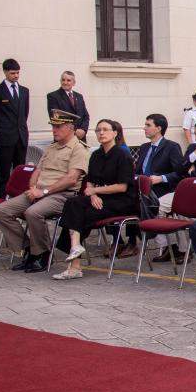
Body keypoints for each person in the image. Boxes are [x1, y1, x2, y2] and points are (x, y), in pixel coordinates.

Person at [0, 109, 89, 273]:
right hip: (39, 192)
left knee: (33, 213)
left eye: (58, 127)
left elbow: (71, 179)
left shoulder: (79, 149)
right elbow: (37, 171)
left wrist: (43, 192)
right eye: (53, 126)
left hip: (61, 195)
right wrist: (33, 188)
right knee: (1, 211)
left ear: (70, 128)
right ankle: (30, 249)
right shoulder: (51, 148)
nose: (54, 130)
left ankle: (43, 255)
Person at [50, 119, 137, 280]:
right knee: (72, 203)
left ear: (115, 133)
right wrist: (93, 195)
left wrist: (94, 190)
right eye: (98, 130)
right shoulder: (96, 154)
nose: (101, 133)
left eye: (105, 129)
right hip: (101, 197)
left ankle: (74, 266)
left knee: (81, 216)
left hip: (121, 201)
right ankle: (75, 246)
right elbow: (90, 179)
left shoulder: (122, 155)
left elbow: (122, 187)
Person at [129, 114, 184, 263]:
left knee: (152, 208)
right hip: (142, 190)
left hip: (163, 190)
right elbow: (138, 171)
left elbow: (180, 173)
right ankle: (129, 242)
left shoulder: (172, 147)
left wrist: (161, 178)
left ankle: (173, 248)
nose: (144, 128)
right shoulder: (144, 147)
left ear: (158, 128)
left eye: (148, 125)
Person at [0, 59, 29, 198]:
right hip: (5, 138)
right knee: (4, 172)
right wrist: (0, 133)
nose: (16, 76)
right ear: (5, 72)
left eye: (18, 73)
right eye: (12, 73)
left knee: (21, 171)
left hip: (21, 138)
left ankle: (19, 200)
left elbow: (24, 114)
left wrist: (21, 131)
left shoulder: (24, 91)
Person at [46, 71, 89, 141]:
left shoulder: (79, 96)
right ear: (60, 81)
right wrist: (75, 130)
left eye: (68, 80)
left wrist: (83, 130)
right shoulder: (53, 96)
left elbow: (86, 116)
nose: (65, 82)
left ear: (74, 83)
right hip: (64, 138)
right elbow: (56, 118)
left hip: (80, 139)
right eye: (63, 80)